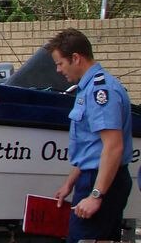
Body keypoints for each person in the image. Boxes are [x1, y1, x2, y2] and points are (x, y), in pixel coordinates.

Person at [48, 28, 133, 243]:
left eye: (60, 63)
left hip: (101, 181)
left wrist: (96, 195)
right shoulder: (87, 89)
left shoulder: (100, 92)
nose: (58, 70)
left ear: (76, 58)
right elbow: (92, 147)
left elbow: (113, 147)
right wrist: (70, 183)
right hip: (94, 177)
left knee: (86, 239)